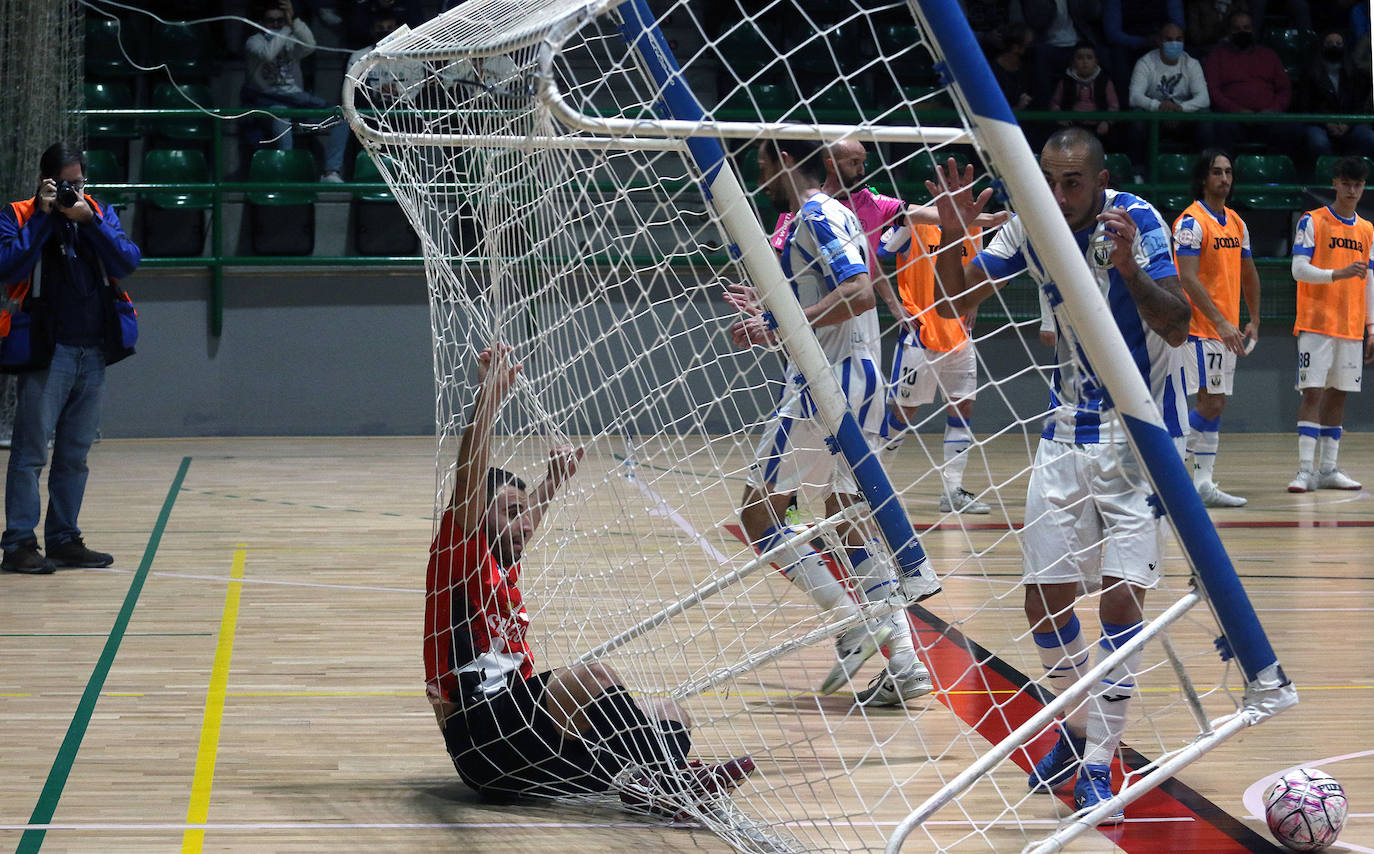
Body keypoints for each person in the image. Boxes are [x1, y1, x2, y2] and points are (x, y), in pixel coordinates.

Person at [928, 127, 1191, 822]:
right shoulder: (1029, 226)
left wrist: (1133, 272)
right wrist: (954, 238)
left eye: (1072, 181)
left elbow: (1176, 325)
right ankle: (1075, 731)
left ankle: (1102, 764)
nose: (1059, 193)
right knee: (1042, 604)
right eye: (1048, 179)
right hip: (1064, 428)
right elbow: (955, 305)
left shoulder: (1137, 220)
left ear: (1100, 178)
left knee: (1118, 601)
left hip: (1139, 434)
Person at [429, 341, 752, 816]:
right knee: (594, 675)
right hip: (482, 739)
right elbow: (468, 480)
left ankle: (646, 786)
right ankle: (670, 784)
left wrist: (554, 480)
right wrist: (490, 399)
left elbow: (523, 522)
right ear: (478, 517)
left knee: (671, 715)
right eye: (509, 512)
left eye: (524, 512)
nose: (524, 521)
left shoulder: (501, 561)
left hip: (524, 747)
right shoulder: (458, 557)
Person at [727, 137, 935, 708]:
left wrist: (782, 325)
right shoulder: (824, 216)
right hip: (860, 380)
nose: (761, 175)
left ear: (784, 162)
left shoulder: (817, 212)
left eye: (764, 164)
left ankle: (849, 622)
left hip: (829, 381)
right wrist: (769, 315)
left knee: (758, 512)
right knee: (847, 523)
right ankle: (908, 665)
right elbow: (832, 296)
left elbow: (859, 292)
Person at [0, 143, 141, 574]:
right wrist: (44, 217)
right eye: (65, 183)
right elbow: (7, 266)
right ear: (44, 180)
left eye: (78, 182)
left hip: (93, 348)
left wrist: (90, 220)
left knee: (75, 454)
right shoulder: (19, 213)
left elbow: (128, 260)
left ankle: (64, 538)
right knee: (30, 453)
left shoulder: (96, 211)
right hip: (48, 350)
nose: (73, 190)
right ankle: (20, 542)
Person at [876, 215, 991, 515]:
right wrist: (893, 304)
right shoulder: (913, 223)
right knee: (903, 413)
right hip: (920, 335)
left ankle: (953, 490)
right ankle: (874, 486)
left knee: (963, 408)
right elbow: (874, 255)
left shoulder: (973, 225)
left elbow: (977, 267)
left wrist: (974, 303)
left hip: (959, 335)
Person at [1173, 150, 1261, 507]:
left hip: (1226, 331)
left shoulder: (1237, 223)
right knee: (1209, 402)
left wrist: (1253, 318)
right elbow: (1188, 279)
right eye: (1216, 172)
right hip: (1198, 328)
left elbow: (1249, 272)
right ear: (1203, 178)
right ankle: (1171, 467)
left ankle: (1202, 483)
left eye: (1228, 172)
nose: (1224, 178)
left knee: (1216, 403)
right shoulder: (1191, 222)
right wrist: (1221, 321)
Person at [1287, 156, 1374, 493]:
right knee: (1313, 393)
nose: (1352, 190)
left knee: (1339, 396)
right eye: (1347, 183)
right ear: (1335, 183)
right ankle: (1305, 470)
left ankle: (1328, 469)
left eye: (1359, 184)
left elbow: (1370, 282)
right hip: (1317, 322)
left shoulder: (1367, 230)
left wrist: (1371, 327)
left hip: (1351, 326)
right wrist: (1337, 274)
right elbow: (1298, 270)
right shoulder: (1313, 221)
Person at [242, 0, 351, 182]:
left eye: (280, 20)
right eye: (271, 21)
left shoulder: (289, 39)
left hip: (297, 99)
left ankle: (331, 172)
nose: (276, 24)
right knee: (281, 118)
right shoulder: (253, 41)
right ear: (261, 23)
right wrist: (286, 28)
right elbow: (268, 54)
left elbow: (310, 45)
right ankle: (287, 171)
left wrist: (294, 20)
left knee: (342, 118)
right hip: (268, 101)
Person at [1203, 11, 1299, 155]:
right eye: (1237, 28)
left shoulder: (1268, 55)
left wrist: (1273, 110)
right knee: (1219, 127)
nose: (1242, 32)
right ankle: (1226, 174)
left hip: (1268, 118)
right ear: (1229, 31)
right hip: (1232, 119)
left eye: (1246, 28)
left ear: (1253, 30)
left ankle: (1280, 174)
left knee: (1294, 128)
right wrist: (1237, 111)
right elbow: (1213, 90)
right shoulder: (1217, 55)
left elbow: (1284, 89)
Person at [1294, 30, 1374, 168]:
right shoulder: (1309, 74)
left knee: (1369, 138)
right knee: (1318, 142)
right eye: (1329, 43)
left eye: (1338, 43)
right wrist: (1327, 122)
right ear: (1321, 46)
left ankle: (1354, 172)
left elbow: (1358, 105)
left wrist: (1348, 123)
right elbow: (1305, 106)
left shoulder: (1354, 74)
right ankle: (1328, 176)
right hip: (1319, 123)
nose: (1334, 46)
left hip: (1348, 123)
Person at [1128, 21, 1210, 149]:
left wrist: (1180, 108)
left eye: (1178, 39)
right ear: (1159, 41)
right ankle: (1138, 166)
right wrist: (1159, 106)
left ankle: (1204, 165)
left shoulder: (1192, 63)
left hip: (1183, 118)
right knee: (1137, 116)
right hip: (1154, 118)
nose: (1174, 43)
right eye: (1169, 39)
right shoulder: (1145, 62)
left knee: (1205, 116)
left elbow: (1204, 99)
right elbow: (1134, 97)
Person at [1047, 41, 1122, 149]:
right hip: (1072, 126)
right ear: (1073, 62)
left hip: (1097, 126)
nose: (1085, 61)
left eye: (1089, 57)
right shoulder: (1065, 81)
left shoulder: (1105, 82)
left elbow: (1114, 106)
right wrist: (1059, 116)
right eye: (1080, 58)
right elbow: (1054, 103)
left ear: (1096, 61)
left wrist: (1107, 122)